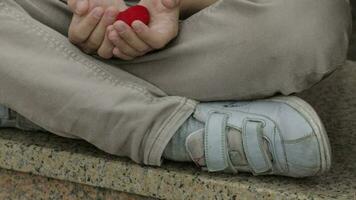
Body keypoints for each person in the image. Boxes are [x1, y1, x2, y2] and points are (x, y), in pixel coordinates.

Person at [0, 0, 351, 177]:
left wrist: (172, 3)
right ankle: (174, 131)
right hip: (44, 12)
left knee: (306, 22)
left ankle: (40, 93)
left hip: (195, 31)